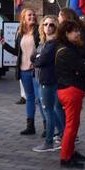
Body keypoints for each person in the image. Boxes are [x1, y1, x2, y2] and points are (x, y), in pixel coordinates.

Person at [1, 8, 44, 136]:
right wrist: (4, 45)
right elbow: (17, 52)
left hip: (35, 70)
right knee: (29, 98)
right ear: (23, 18)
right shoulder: (20, 33)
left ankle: (48, 126)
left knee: (40, 98)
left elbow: (43, 50)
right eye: (29, 15)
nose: (32, 16)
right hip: (23, 70)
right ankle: (30, 126)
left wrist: (36, 62)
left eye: (33, 14)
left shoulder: (39, 31)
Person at [56, 19, 85, 168]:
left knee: (74, 124)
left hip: (70, 89)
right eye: (75, 31)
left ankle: (70, 151)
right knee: (71, 125)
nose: (78, 33)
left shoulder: (69, 48)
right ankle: (65, 157)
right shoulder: (66, 51)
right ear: (66, 33)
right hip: (70, 90)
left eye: (78, 30)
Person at [32, 15, 64, 152]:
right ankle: (63, 134)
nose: (48, 27)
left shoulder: (53, 44)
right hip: (43, 79)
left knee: (48, 111)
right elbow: (34, 57)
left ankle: (49, 141)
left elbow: (39, 60)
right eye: (45, 24)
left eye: (51, 25)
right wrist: (37, 59)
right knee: (50, 109)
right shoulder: (44, 43)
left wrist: (37, 59)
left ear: (56, 27)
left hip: (48, 80)